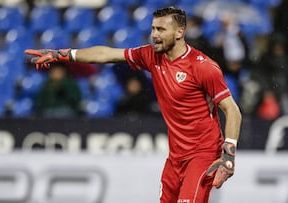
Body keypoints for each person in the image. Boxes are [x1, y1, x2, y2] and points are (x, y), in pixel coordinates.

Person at [25, 6, 242, 203]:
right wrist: (61, 54)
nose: (154, 35)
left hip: (203, 154)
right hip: (176, 157)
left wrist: (228, 156)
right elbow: (107, 54)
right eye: (153, 29)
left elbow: (232, 110)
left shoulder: (202, 67)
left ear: (179, 33)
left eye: (161, 30)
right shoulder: (151, 56)